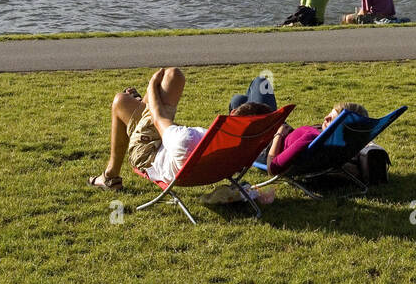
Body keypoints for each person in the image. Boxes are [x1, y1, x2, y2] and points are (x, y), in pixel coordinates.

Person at [88, 67, 275, 191]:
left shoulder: (187, 139)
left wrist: (151, 84)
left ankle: (110, 176)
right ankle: (137, 103)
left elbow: (157, 115)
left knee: (124, 99)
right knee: (169, 79)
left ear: (232, 113)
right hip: (182, 153)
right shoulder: (240, 148)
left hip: (148, 154)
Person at [265, 101, 368, 174]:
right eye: (329, 114)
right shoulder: (346, 143)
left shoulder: (310, 138)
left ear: (340, 127)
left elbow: (272, 168)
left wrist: (279, 134)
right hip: (288, 133)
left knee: (261, 98)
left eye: (330, 119)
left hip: (267, 144)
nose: (325, 118)